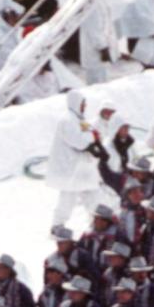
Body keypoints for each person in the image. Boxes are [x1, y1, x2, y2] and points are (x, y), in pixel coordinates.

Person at [48, 91, 102, 230]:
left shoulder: (79, 120)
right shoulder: (67, 120)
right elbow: (79, 141)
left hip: (82, 169)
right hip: (71, 170)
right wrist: (92, 137)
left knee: (93, 197)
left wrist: (93, 135)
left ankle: (96, 223)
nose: (85, 106)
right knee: (67, 200)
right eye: (83, 103)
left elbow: (90, 132)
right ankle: (57, 225)